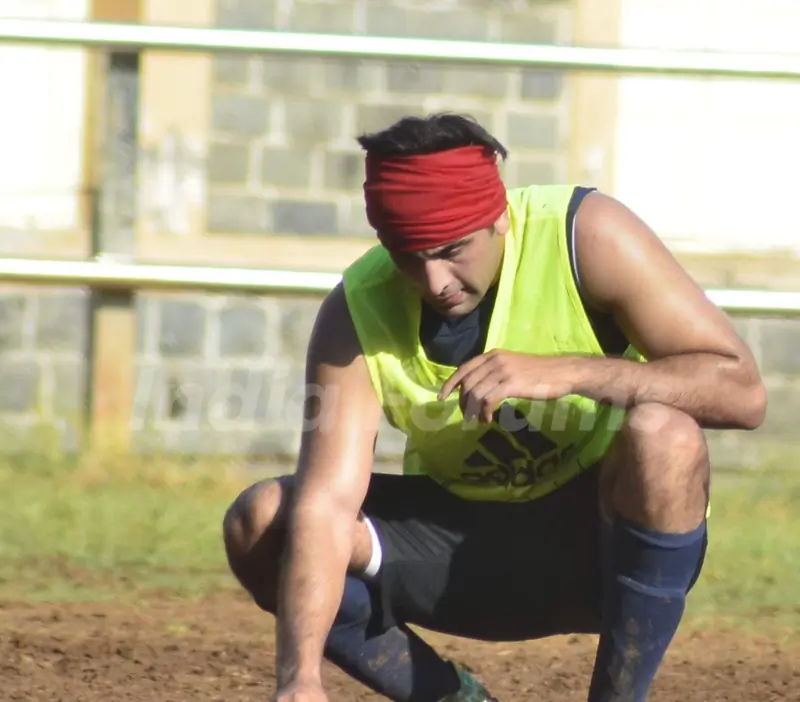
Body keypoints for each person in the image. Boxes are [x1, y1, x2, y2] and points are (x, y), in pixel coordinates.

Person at [222, 113, 767, 702]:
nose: (435, 281)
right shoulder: (354, 311)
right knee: (264, 519)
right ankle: (450, 697)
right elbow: (326, 504)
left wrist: (571, 372)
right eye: (409, 256)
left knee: (665, 433)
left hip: (601, 548)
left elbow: (743, 392)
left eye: (452, 250)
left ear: (500, 217)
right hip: (459, 558)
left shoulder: (587, 236)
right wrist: (298, 680)